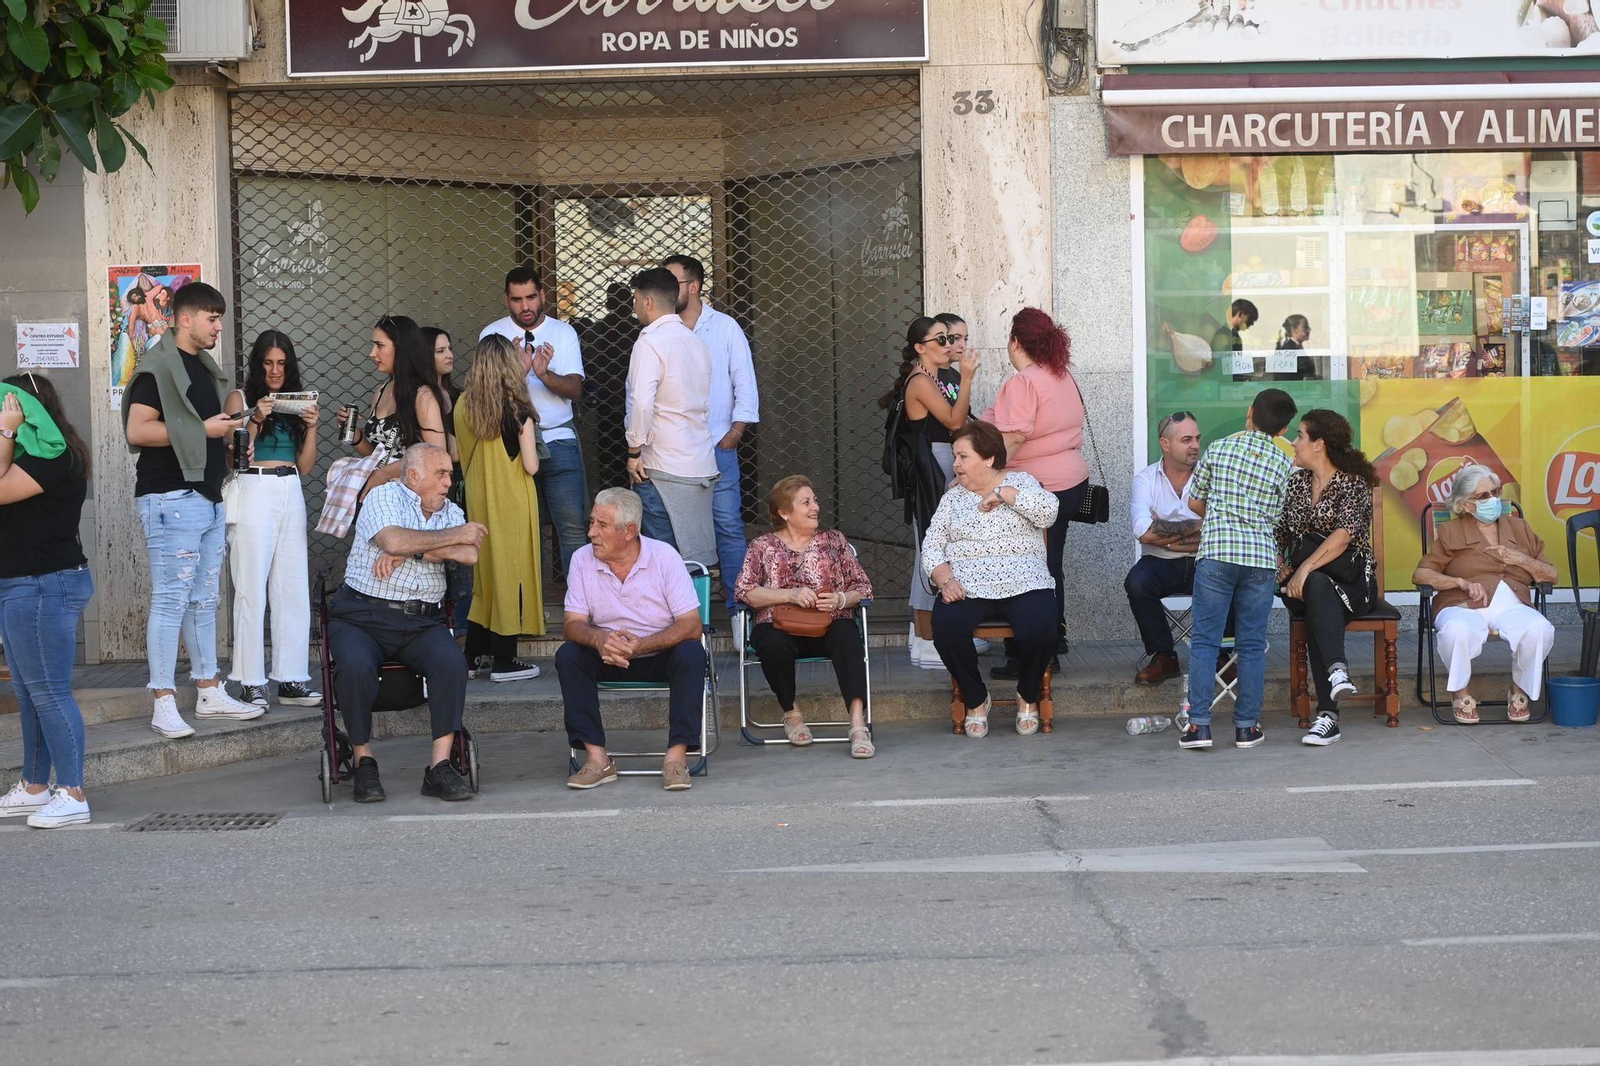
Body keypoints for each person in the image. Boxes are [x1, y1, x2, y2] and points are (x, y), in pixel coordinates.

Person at [122, 281, 264, 738]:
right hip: (170, 497)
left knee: (205, 599)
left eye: (219, 318)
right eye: (212, 318)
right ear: (185, 319)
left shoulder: (201, 368)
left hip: (206, 495)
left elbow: (202, 432)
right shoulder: (156, 369)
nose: (219, 326)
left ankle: (208, 689)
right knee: (170, 599)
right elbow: (138, 431)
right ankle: (162, 698)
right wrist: (202, 429)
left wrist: (236, 431)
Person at [326, 444, 484, 803]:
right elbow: (393, 539)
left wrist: (412, 550)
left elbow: (470, 553)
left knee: (450, 663)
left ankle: (439, 767)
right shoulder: (383, 497)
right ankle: (364, 761)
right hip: (362, 617)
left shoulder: (450, 509)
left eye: (449, 472)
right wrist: (437, 541)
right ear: (413, 476)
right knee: (353, 668)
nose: (449, 480)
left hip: (421, 621)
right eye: (441, 473)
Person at [556, 488, 708, 792]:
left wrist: (641, 644)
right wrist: (600, 640)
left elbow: (691, 625)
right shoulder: (582, 560)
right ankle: (598, 759)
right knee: (568, 655)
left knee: (692, 653)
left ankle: (676, 758)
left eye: (601, 526)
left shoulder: (664, 557)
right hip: (608, 655)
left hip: (658, 654)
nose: (591, 533)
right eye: (592, 523)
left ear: (630, 531)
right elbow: (572, 626)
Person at [922, 422, 1060, 739]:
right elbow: (931, 545)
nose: (955, 464)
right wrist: (944, 578)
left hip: (1024, 579)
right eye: (956, 457)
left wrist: (1005, 495)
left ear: (988, 458)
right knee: (945, 626)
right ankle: (975, 698)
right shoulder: (953, 498)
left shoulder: (1021, 483)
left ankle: (1027, 694)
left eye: (962, 457)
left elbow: (1048, 512)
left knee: (1042, 625)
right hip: (967, 583)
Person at [1178, 388, 1297, 751]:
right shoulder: (1282, 462)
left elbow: (1195, 500)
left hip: (1216, 553)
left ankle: (1199, 726)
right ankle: (1246, 727)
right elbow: (1280, 516)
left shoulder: (1218, 449)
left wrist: (1219, 519)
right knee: (1250, 644)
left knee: (1204, 642)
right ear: (1283, 428)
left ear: (1250, 412)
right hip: (1260, 560)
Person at [0, 376, 95, 828]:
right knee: (28, 692)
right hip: (21, 583)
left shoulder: (53, 453)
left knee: (50, 692)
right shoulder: (28, 451)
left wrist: (6, 432)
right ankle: (36, 785)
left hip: (44, 584)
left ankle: (73, 792)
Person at [734, 475, 875, 758]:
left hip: (829, 625)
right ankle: (792, 713)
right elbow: (745, 592)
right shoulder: (762, 547)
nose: (815, 508)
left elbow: (863, 587)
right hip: (779, 627)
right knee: (771, 641)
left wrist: (840, 599)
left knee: (847, 632)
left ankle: (858, 723)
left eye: (815, 501)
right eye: (806, 502)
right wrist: (789, 595)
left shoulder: (834, 541)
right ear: (784, 512)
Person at [982, 307, 1087, 680]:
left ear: (1014, 341)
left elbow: (1013, 438)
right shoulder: (1059, 374)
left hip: (1038, 487)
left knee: (1031, 569)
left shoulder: (1023, 382)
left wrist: (988, 480)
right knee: (1049, 563)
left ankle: (1034, 653)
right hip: (1071, 482)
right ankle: (1052, 641)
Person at [1413, 464, 1558, 725]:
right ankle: (1461, 693)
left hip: (1512, 603)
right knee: (1455, 630)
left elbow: (1551, 574)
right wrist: (1459, 581)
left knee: (1540, 629)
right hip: (1463, 604)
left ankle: (1519, 690)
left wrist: (1521, 559)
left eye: (1495, 492)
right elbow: (1422, 575)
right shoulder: (1450, 532)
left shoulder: (1519, 528)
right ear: (1465, 504)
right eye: (1483, 496)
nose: (1493, 500)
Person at [222, 331, 322, 709]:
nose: (275, 370)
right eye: (268, 363)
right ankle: (250, 680)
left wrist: (312, 425)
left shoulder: (295, 401)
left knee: (292, 586)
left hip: (289, 488)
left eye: (281, 363)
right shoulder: (240, 398)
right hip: (254, 487)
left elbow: (307, 465)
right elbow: (235, 456)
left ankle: (292, 677)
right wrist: (254, 419)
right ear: (257, 364)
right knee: (251, 586)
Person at [1275, 410, 1379, 747]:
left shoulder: (1352, 483)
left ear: (1319, 444)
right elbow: (1278, 534)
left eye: (1300, 436)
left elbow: (1344, 536)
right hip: (1305, 585)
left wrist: (1304, 568)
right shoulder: (1296, 484)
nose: (1294, 442)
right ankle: (1336, 675)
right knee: (1317, 590)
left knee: (1317, 589)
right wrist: (1281, 566)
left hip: (1353, 583)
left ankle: (1328, 714)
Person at [663, 254, 759, 613]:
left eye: (674, 283)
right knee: (677, 534)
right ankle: (686, 614)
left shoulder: (725, 328)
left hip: (718, 446)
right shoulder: (660, 330)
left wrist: (735, 432)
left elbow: (745, 384)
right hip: (672, 452)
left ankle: (738, 612)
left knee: (728, 527)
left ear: (695, 286)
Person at [879, 315, 974, 669]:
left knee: (950, 546)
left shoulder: (946, 375)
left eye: (950, 337)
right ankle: (927, 641)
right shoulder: (919, 380)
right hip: (931, 465)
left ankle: (925, 635)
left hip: (951, 458)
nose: (949, 344)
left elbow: (963, 420)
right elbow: (952, 420)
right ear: (920, 348)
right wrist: (967, 379)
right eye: (940, 339)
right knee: (931, 551)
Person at [480, 266, 587, 579]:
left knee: (570, 525)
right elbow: (485, 394)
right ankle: (527, 604)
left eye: (530, 297)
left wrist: (541, 373)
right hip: (510, 441)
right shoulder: (491, 334)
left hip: (558, 440)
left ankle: (578, 602)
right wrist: (517, 370)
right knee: (517, 525)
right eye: (516, 300)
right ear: (506, 300)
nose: (524, 306)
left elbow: (575, 390)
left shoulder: (563, 333)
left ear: (543, 295)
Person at [455, 334, 544, 683]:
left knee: (486, 578)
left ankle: (472, 656)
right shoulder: (517, 410)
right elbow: (532, 466)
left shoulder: (462, 406)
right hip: (512, 503)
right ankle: (505, 659)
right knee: (512, 576)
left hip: (478, 501)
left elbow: (461, 454)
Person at [624, 266, 719, 568]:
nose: (635, 306)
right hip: (700, 463)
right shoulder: (697, 343)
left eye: (636, 299)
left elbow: (641, 403)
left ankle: (674, 617)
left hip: (662, 465)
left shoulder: (649, 343)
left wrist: (634, 450)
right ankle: (697, 615)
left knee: (663, 563)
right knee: (694, 562)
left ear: (648, 302)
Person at [1126, 411, 1204, 685]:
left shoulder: (1213, 477)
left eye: (1197, 438)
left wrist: (1168, 535)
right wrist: (1197, 524)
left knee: (1228, 574)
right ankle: (1163, 655)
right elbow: (1144, 532)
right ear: (1165, 444)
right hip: (1159, 561)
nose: (1195, 445)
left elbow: (1219, 532)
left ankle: (1222, 655)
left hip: (1204, 560)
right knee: (1137, 581)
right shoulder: (1145, 480)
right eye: (1186, 439)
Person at [339, 315, 449, 499]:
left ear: (401, 348)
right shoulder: (382, 390)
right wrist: (356, 435)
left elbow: (436, 456)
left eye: (379, 346)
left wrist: (383, 474)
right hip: (381, 498)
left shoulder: (423, 396)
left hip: (412, 498)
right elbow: (378, 455)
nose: (372, 353)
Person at [423, 325, 472, 639]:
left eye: (449, 348)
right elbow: (448, 451)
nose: (450, 355)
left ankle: (464, 637)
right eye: (440, 351)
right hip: (432, 494)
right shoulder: (423, 398)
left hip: (460, 489)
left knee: (461, 564)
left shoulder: (456, 395)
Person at [1215, 298, 1259, 382]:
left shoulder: (1232, 334)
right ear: (1240, 314)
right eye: (1250, 319)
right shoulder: (1224, 335)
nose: (1251, 324)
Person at [1273, 314, 1318, 381]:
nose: (1309, 330)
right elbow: (1283, 377)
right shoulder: (1287, 350)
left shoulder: (1299, 348)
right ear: (1294, 330)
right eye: (1305, 327)